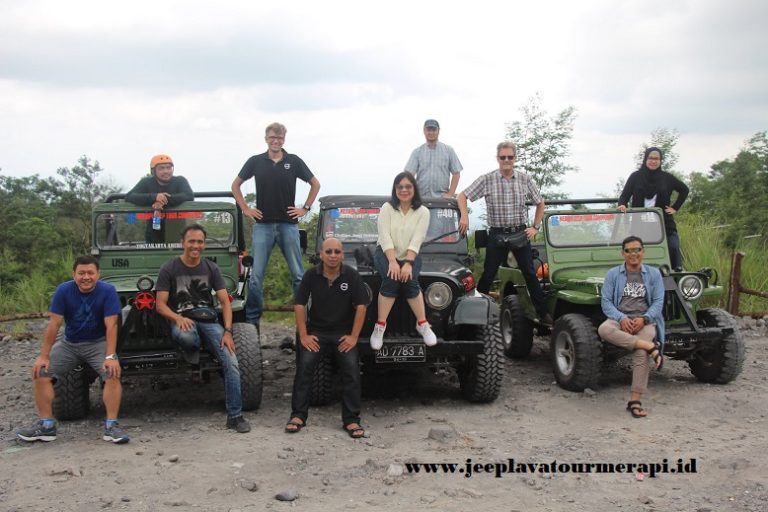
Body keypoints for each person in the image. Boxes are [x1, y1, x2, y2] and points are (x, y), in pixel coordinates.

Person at [16, 256, 129, 444]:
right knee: (41, 371)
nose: (86, 277)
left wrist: (110, 356)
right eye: (81, 273)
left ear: (98, 274)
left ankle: (112, 426)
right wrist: (43, 356)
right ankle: (46, 426)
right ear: (74, 274)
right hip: (70, 344)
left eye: (90, 273)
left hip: (97, 343)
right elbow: (54, 324)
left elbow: (111, 326)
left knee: (112, 372)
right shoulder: (63, 291)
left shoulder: (108, 291)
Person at [155, 224, 251, 433]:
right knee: (188, 338)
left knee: (231, 360)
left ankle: (235, 416)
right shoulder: (169, 268)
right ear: (182, 243)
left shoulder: (211, 268)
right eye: (191, 241)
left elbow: (225, 302)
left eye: (200, 242)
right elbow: (160, 304)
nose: (195, 246)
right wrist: (177, 318)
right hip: (182, 319)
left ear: (204, 245)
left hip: (207, 320)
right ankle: (194, 349)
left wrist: (227, 331)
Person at [231, 122, 321, 329]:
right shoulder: (255, 161)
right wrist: (245, 208)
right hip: (263, 225)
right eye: (272, 137)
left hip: (288, 225)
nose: (276, 141)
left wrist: (305, 208)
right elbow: (235, 185)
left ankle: (304, 321)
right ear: (266, 139)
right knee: (255, 277)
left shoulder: (293, 161)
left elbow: (315, 184)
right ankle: (252, 322)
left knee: (298, 275)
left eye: (280, 138)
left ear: (284, 140)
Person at [458, 141, 551, 324]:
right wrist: (464, 216)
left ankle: (543, 314)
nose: (506, 160)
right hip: (497, 234)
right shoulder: (487, 179)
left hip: (520, 233)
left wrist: (535, 227)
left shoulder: (524, 179)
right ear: (497, 158)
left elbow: (540, 203)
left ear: (515, 158)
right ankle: (476, 315)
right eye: (503, 157)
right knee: (488, 273)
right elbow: (462, 196)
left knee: (530, 273)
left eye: (510, 157)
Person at [286, 238, 368, 438]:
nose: (333, 256)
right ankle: (298, 415)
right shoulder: (310, 275)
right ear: (321, 254)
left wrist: (354, 336)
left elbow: (361, 306)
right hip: (317, 333)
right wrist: (304, 335)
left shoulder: (352, 275)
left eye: (337, 252)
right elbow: (299, 304)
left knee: (351, 370)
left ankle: (351, 419)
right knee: (305, 366)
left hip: (343, 334)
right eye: (329, 252)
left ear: (342, 255)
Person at [598, 236, 665, 418]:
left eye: (637, 250)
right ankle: (650, 346)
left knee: (640, 353)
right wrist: (621, 318)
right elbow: (606, 302)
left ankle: (635, 401)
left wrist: (645, 318)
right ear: (623, 253)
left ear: (643, 252)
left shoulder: (653, 274)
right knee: (604, 329)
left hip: (645, 320)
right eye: (628, 250)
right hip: (620, 318)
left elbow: (658, 302)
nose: (633, 254)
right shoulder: (613, 274)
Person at [370, 171, 436, 350]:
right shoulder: (387, 208)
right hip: (385, 252)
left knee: (410, 279)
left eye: (408, 186)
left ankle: (422, 324)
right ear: (395, 189)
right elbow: (384, 235)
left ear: (414, 188)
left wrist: (408, 263)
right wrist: (392, 261)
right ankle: (380, 326)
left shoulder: (423, 212)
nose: (404, 190)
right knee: (391, 277)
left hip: (411, 253)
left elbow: (417, 238)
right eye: (400, 187)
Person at [618, 147, 689, 271]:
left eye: (657, 159)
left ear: (661, 161)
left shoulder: (667, 178)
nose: (653, 161)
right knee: (634, 250)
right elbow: (624, 195)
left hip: (663, 223)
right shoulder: (635, 176)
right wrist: (622, 204)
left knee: (673, 246)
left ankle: (676, 274)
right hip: (640, 223)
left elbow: (684, 190)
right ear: (646, 159)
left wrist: (675, 208)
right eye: (651, 158)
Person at [126, 154, 194, 243]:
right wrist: (154, 197)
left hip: (177, 228)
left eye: (169, 168)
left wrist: (162, 200)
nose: (166, 171)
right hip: (154, 227)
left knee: (177, 248)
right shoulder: (146, 182)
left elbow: (189, 196)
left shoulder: (180, 180)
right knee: (154, 245)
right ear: (153, 171)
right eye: (161, 168)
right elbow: (129, 196)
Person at [404, 119, 463, 198]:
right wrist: (412, 193)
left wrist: (450, 194)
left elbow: (456, 173)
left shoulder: (449, 151)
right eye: (428, 130)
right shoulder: (417, 152)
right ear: (424, 131)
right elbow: (409, 174)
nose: (431, 132)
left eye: (434, 130)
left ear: (438, 131)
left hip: (442, 200)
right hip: (421, 199)